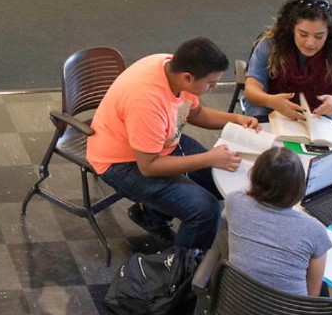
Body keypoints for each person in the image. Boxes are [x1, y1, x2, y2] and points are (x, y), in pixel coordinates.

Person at [86, 38, 261, 256]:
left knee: (218, 179)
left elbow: (194, 113)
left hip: (161, 144)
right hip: (122, 162)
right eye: (211, 83)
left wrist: (234, 119)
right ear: (188, 77)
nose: (214, 88)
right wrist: (209, 158)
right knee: (205, 211)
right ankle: (182, 272)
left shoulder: (171, 68)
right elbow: (149, 167)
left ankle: (151, 214)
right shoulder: (146, 101)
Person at [226, 146, 331, 296]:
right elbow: (312, 297)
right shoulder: (315, 230)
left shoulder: (234, 201)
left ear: (253, 175)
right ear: (299, 187)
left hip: (234, 308)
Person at [243, 0, 332, 125]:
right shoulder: (269, 46)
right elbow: (251, 90)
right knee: (265, 139)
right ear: (292, 29)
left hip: (319, 116)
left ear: (329, 33)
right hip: (271, 109)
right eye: (303, 34)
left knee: (319, 144)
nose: (310, 43)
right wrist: (271, 101)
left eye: (319, 36)